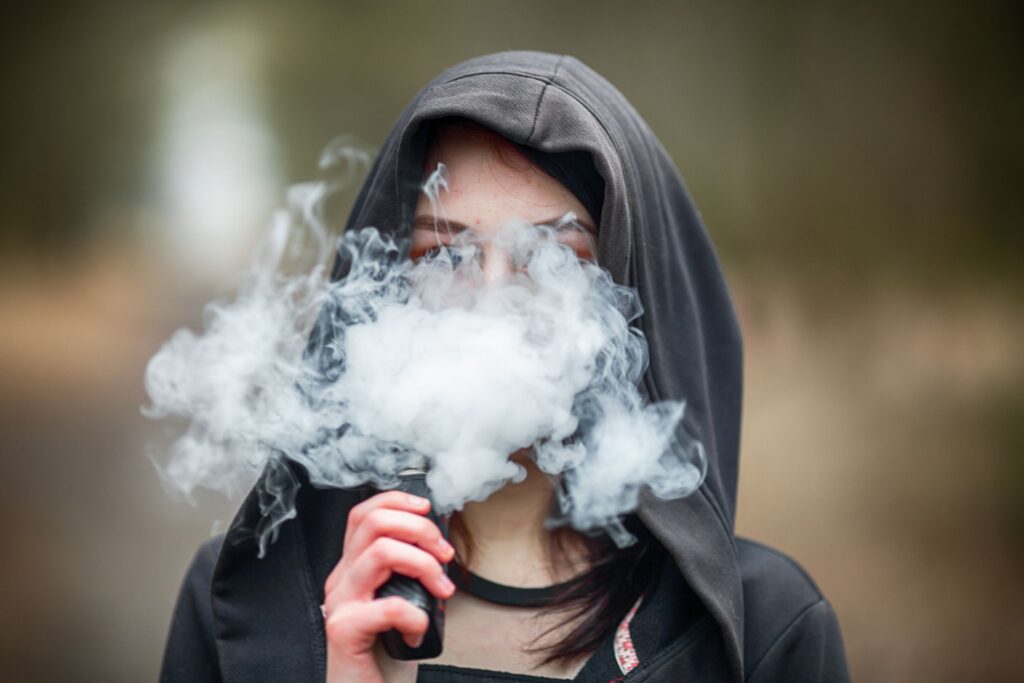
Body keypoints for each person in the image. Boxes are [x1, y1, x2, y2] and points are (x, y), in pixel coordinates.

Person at [160, 51, 851, 683]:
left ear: (629, 299)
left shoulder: (767, 631)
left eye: (550, 259)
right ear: (385, 287)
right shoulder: (251, 610)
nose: (490, 303)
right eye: (445, 255)